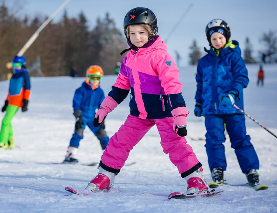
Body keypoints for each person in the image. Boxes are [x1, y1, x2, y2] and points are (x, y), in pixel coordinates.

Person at [81, 7, 209, 196]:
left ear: (152, 32)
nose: (137, 37)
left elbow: (172, 87)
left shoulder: (160, 57)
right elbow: (120, 88)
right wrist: (104, 109)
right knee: (119, 142)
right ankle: (105, 176)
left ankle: (195, 179)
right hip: (139, 113)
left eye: (141, 32)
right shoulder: (128, 59)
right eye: (132, 33)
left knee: (174, 144)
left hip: (163, 111)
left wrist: (179, 117)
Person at [194, 19, 261, 188]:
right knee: (214, 140)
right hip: (211, 110)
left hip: (233, 107)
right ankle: (217, 171)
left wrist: (233, 94)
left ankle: (251, 170)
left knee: (240, 139)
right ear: (209, 40)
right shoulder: (204, 62)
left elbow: (242, 78)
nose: (217, 41)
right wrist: (198, 103)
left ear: (227, 37)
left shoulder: (234, 58)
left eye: (220, 38)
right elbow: (200, 85)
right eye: (214, 38)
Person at [63, 65, 110, 163]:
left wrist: (102, 117)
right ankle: (70, 155)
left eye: (98, 78)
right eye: (93, 77)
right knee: (78, 133)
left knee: (102, 134)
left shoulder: (100, 92)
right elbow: (76, 103)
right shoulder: (81, 90)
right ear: (88, 77)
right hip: (82, 116)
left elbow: (102, 105)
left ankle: (110, 156)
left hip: (93, 117)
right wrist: (78, 115)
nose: (95, 80)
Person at [0, 56, 31, 150]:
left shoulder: (24, 75)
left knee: (5, 121)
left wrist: (26, 102)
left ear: (23, 65)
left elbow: (27, 89)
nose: (16, 67)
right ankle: (10, 142)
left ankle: (2, 142)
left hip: (17, 101)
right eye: (14, 65)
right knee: (8, 121)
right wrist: (6, 102)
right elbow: (10, 90)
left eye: (18, 65)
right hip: (11, 101)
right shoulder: (13, 76)